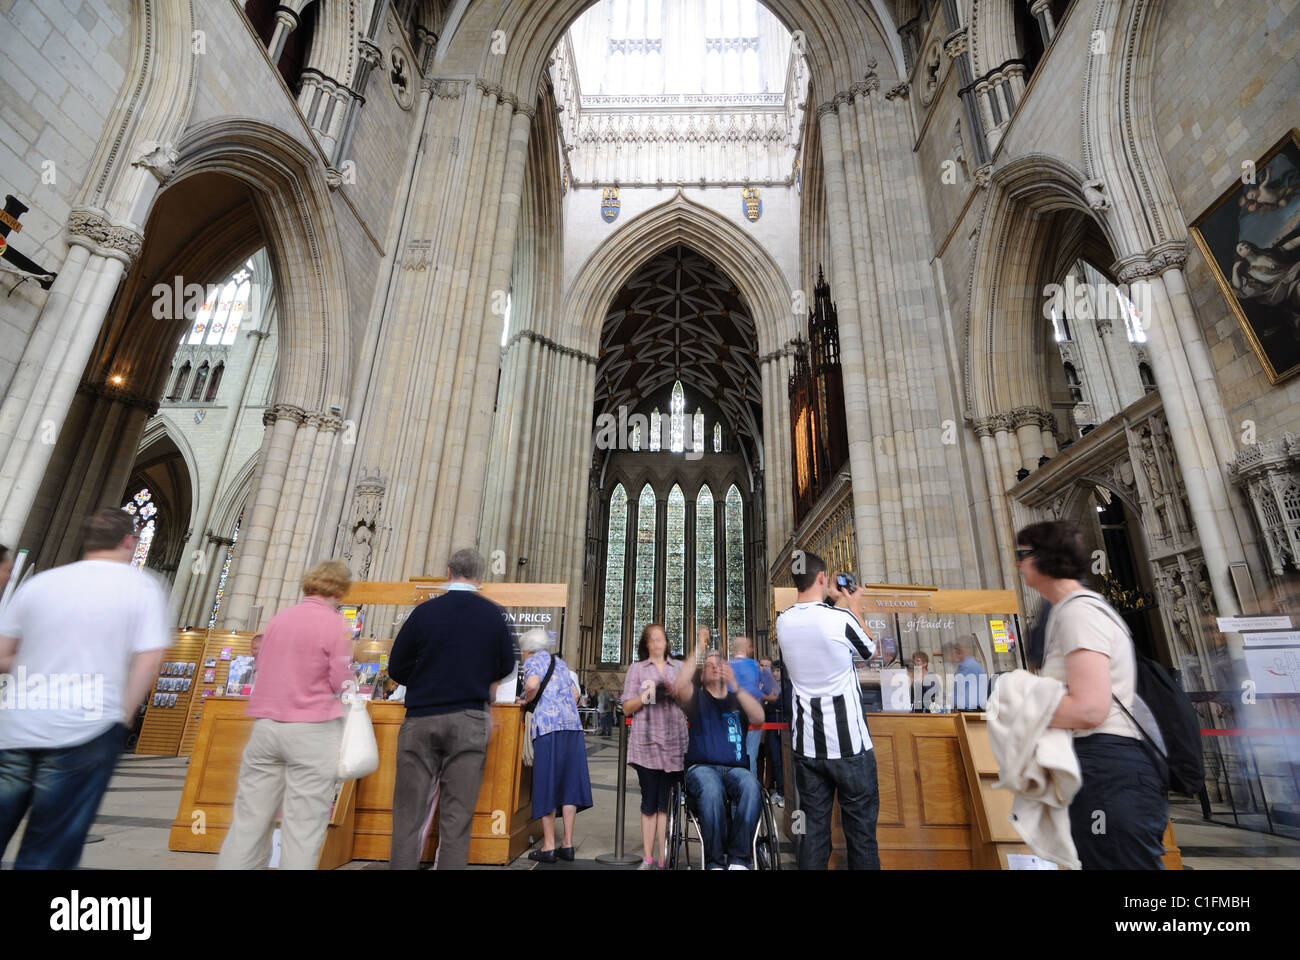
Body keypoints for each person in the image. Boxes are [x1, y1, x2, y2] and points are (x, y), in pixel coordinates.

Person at [0, 509, 168, 869]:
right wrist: (123, 716)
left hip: (16, 728)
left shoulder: (40, 583)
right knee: (49, 848)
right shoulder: (140, 586)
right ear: (129, 542)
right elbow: (149, 659)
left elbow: (2, 656)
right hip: (85, 727)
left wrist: (42, 660)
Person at [1015, 520, 1168, 869]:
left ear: (1045, 558)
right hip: (1098, 765)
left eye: (1021, 555)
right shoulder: (1068, 611)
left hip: (1110, 768)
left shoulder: (1079, 613)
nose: (1018, 564)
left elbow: (1089, 709)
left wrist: (1020, 707)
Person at [217, 560, 354, 870]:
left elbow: (263, 665)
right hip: (312, 729)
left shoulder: (279, 619)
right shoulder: (335, 624)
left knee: (249, 820)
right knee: (303, 826)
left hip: (266, 728)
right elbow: (340, 680)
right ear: (341, 590)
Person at [386, 548, 515, 870]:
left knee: (408, 815)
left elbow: (396, 666)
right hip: (469, 719)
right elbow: (506, 665)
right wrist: (474, 679)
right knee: (457, 819)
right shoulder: (493, 615)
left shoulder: (424, 612)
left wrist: (425, 680)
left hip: (421, 718)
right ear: (480, 576)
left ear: (447, 572)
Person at [775, 551, 881, 870]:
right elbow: (870, 650)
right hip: (849, 748)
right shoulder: (841, 618)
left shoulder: (783, 622)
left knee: (812, 832)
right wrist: (854, 605)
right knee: (860, 835)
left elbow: (816, 628)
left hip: (807, 748)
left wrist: (832, 603)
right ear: (823, 578)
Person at [674, 629, 765, 869]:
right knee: (711, 788)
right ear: (701, 676)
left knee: (751, 786)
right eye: (709, 665)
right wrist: (699, 648)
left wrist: (737, 686)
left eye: (720, 663)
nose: (715, 667)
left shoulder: (738, 699)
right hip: (701, 768)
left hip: (735, 769)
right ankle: (714, 861)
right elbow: (680, 683)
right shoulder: (697, 699)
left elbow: (758, 716)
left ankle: (739, 859)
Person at [516, 628, 591, 862]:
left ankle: (549, 846)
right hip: (572, 727)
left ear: (527, 649)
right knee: (569, 783)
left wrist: (526, 699)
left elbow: (532, 684)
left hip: (549, 728)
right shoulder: (558, 662)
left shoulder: (533, 661)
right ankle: (567, 844)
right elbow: (575, 692)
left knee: (546, 782)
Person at [621, 623, 688, 869]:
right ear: (646, 644)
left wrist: (675, 692)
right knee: (649, 802)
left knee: (666, 803)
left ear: (667, 642)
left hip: (673, 743)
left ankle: (664, 858)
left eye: (662, 639)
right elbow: (627, 707)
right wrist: (646, 696)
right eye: (653, 639)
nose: (658, 643)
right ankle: (648, 858)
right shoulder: (637, 669)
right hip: (646, 744)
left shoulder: (678, 668)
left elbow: (689, 703)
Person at [728, 635, 764, 777]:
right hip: (753, 716)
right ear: (744, 648)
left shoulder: (728, 666)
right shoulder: (754, 665)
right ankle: (751, 791)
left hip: (733, 716)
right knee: (750, 755)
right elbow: (763, 688)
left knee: (734, 754)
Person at [758, 656, 784, 805]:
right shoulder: (761, 683)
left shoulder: (783, 685)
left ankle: (778, 790)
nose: (773, 673)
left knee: (777, 759)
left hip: (777, 725)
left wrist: (767, 702)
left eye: (775, 670)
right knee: (763, 757)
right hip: (764, 725)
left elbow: (774, 704)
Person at [950, 637, 988, 711]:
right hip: (965, 710)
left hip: (971, 711)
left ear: (967, 650)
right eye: (956, 649)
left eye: (959, 649)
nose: (956, 652)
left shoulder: (970, 666)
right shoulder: (962, 667)